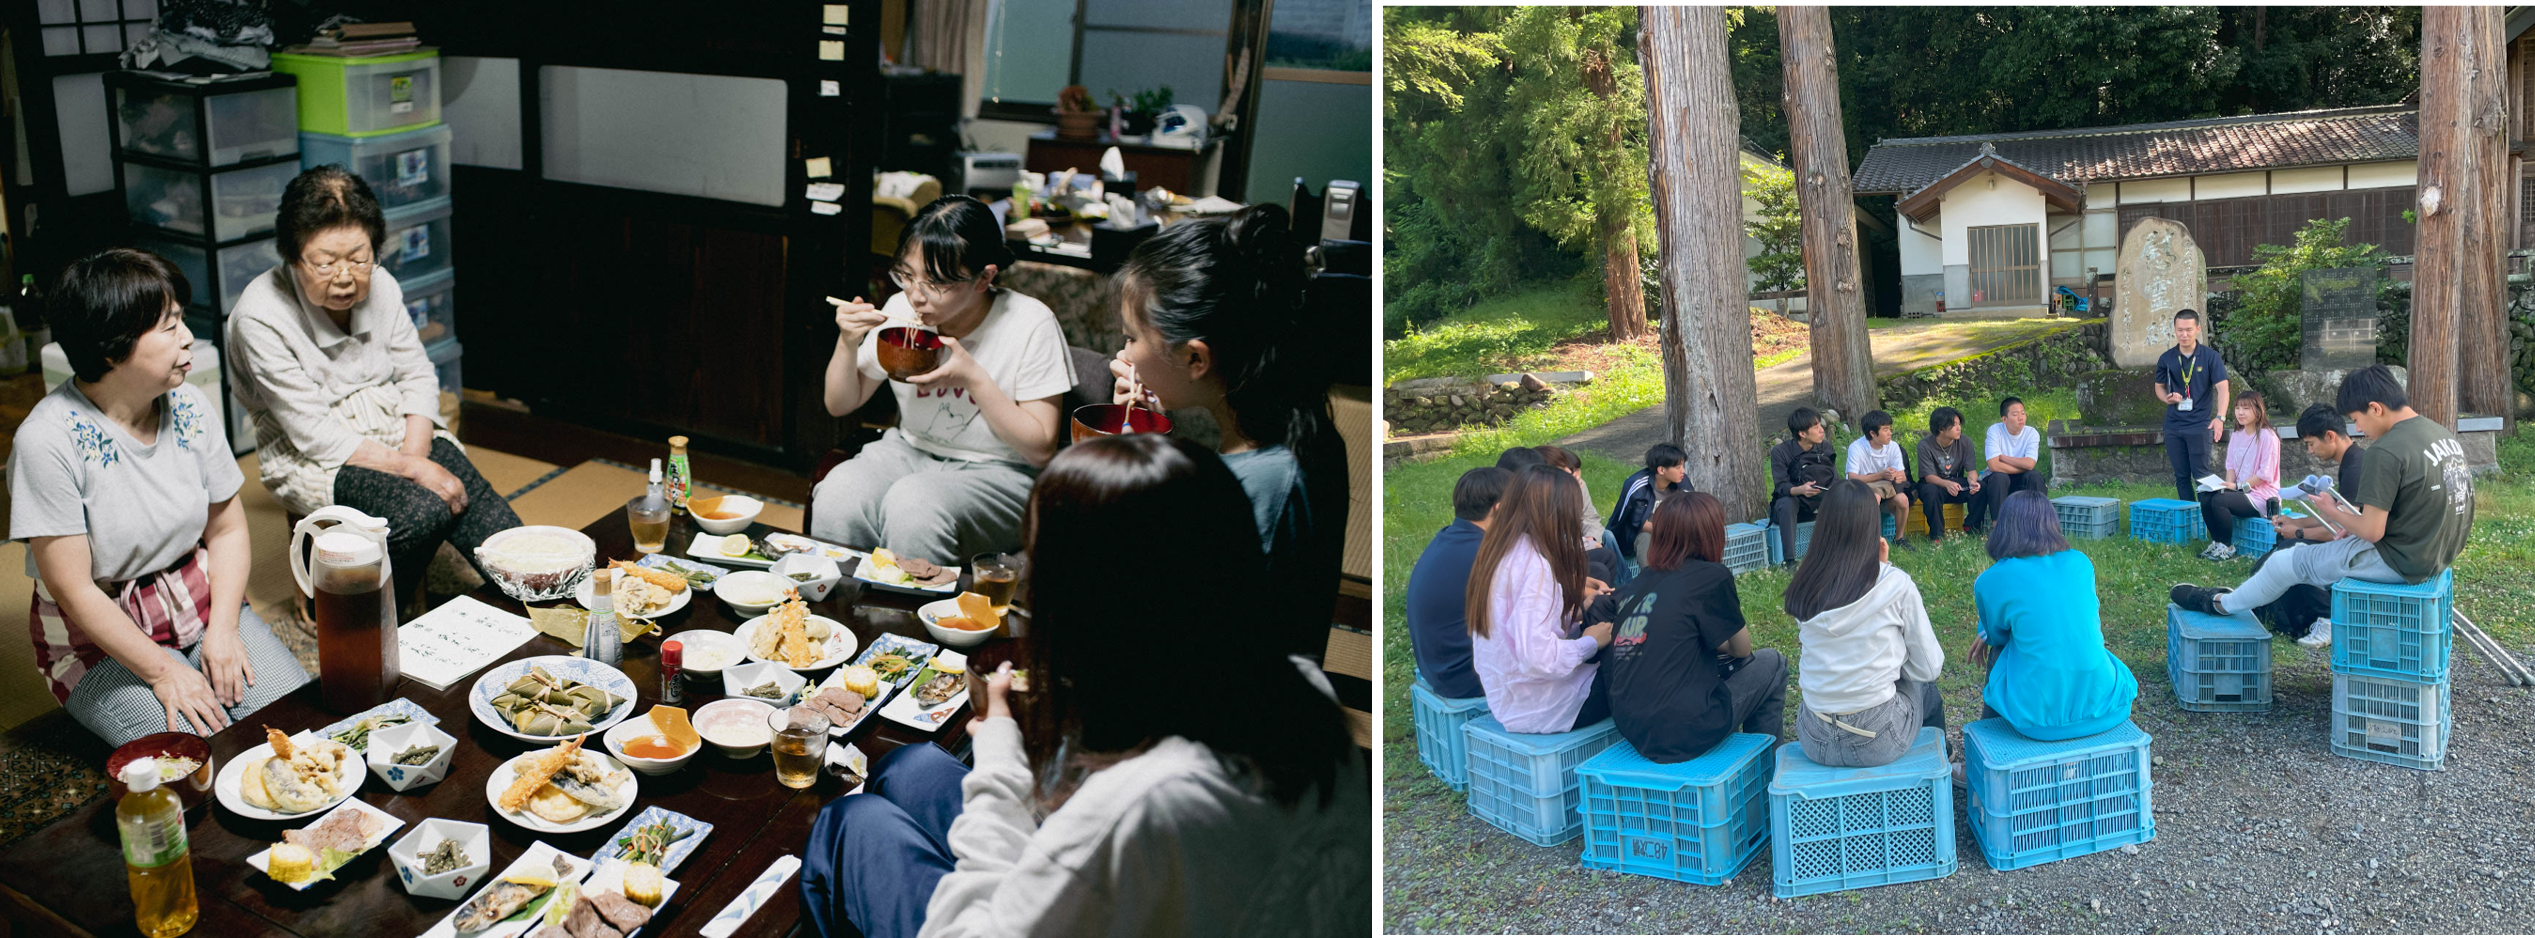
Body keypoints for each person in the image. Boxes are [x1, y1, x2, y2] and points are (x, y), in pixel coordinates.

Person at [799, 434, 1367, 938]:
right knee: (911, 768)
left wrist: (1000, 757)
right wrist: (1010, 734)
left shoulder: (1143, 806)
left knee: (852, 824)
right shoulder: (1299, 687)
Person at [11, 248, 311, 745]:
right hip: (98, 640)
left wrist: (222, 632)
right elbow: (75, 589)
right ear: (111, 349)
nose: (189, 337)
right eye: (169, 326)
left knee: (298, 728)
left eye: (181, 320)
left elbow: (228, 528)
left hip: (199, 604)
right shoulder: (46, 441)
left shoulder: (189, 404)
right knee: (192, 757)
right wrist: (163, 672)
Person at [226, 166, 523, 605]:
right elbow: (313, 433)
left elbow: (417, 374)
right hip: (311, 453)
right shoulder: (260, 316)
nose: (345, 277)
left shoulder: (380, 283)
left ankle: (538, 604)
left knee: (477, 505)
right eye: (326, 263)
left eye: (359, 257)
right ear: (293, 256)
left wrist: (417, 456)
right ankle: (361, 620)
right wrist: (417, 472)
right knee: (420, 512)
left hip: (391, 429)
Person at [1105, 203, 1346, 658]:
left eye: (1133, 337)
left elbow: (1161, 618)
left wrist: (1127, 461)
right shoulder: (1297, 423)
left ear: (1196, 359)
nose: (1125, 352)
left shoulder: (1262, 481)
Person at [815, 195, 1074, 569]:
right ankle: (838, 618)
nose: (915, 295)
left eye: (935, 282)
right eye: (906, 275)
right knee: (838, 493)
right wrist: (847, 342)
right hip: (909, 451)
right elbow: (840, 403)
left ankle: (910, 624)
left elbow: (1039, 450)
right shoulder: (900, 311)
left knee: (915, 505)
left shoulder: (1030, 323)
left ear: (984, 277)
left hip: (1002, 472)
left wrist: (973, 377)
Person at [2173, 365, 2475, 650]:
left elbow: (2371, 530)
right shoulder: (2439, 433)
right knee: (2300, 552)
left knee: (2285, 562)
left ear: (2376, 408)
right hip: (2438, 551)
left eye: (2357, 419)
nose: (2357, 428)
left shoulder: (2387, 450)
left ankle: (2220, 604)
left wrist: (2330, 509)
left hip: (2401, 559)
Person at [1601, 492, 1787, 764]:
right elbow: (1741, 648)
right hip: (1683, 730)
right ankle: (1765, 768)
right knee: (1773, 663)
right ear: (1711, 533)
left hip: (1631, 726)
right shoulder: (1711, 576)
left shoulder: (1638, 584)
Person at [1787, 480, 1950, 771]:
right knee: (1928, 691)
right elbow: (1929, 667)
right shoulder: (1895, 584)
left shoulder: (1804, 585)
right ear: (1869, 526)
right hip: (1877, 738)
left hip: (1814, 737)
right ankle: (1947, 763)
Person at [1967, 492, 2138, 741]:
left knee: (2001, 652)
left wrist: (1985, 631)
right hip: (2108, 706)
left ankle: (1988, 739)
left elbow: (1996, 636)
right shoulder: (2081, 562)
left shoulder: (1990, 579)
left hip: (2036, 721)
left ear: (2004, 527)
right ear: (2051, 523)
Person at [1468, 465, 1615, 732]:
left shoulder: (1499, 551)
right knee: (1635, 658)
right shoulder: (1533, 566)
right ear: (1558, 513)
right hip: (1545, 707)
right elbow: (1539, 657)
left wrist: (1576, 614)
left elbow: (1521, 630)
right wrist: (1590, 642)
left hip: (1510, 699)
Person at [2244, 404, 2366, 643]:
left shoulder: (2356, 468)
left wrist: (2299, 533)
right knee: (2285, 541)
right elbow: (2337, 516)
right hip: (2353, 540)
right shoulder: (2353, 461)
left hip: (2357, 548)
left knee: (2295, 551)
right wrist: (2295, 522)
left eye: (2310, 444)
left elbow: (2344, 531)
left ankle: (2328, 618)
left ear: (2330, 436)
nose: (2309, 451)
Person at [1404, 467, 1512, 700]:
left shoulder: (1448, 538)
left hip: (1439, 671)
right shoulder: (1486, 555)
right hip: (1466, 680)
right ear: (1500, 509)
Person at [2153, 308, 2229, 503]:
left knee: (2202, 475)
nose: (2184, 334)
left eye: (2188, 329)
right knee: (2181, 477)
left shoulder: (2210, 357)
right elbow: (2159, 387)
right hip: (2173, 425)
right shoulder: (2167, 358)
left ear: (2198, 329)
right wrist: (2166, 399)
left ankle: (2209, 518)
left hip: (2199, 424)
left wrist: (2220, 417)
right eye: (2180, 330)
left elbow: (2223, 389)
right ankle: (2189, 518)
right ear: (2174, 330)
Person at [2195, 391, 2280, 561]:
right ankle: (2217, 543)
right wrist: (2225, 486)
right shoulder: (2236, 435)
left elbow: (2265, 474)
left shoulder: (2268, 436)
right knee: (2206, 496)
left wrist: (2236, 487)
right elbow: (2231, 466)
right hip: (2240, 492)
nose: (2240, 412)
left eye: (2246, 408)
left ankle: (2227, 547)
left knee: (2220, 501)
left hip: (2261, 497)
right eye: (2237, 408)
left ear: (2258, 410)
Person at [1768, 408, 1839, 566]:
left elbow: (1835, 479)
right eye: (1816, 427)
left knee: (1843, 495)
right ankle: (1790, 561)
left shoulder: (1826, 447)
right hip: (1793, 504)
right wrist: (1801, 490)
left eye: (1820, 425)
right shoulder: (1781, 452)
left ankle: (1841, 552)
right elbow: (1781, 486)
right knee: (1787, 503)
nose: (1821, 431)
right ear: (1802, 433)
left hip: (1820, 499)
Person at [1609, 442, 1690, 564]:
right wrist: (1671, 532)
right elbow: (1639, 524)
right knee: (1645, 538)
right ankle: (1650, 579)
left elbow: (1691, 511)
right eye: (1678, 467)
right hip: (1637, 536)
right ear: (1661, 470)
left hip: (1670, 533)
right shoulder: (1639, 486)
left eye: (1683, 466)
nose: (1682, 471)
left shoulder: (1682, 482)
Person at [1844, 410, 1914, 551]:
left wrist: (1897, 475)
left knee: (1903, 500)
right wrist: (1881, 475)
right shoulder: (1856, 448)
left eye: (1890, 429)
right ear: (1872, 433)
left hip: (1887, 492)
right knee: (1874, 496)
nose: (1890, 433)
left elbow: (1903, 475)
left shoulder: (1893, 446)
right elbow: (1852, 478)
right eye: (1885, 429)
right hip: (1860, 494)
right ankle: (1870, 541)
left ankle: (1899, 538)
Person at [1974, 397, 2043, 532]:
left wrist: (2003, 457)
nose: (2021, 418)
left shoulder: (2031, 433)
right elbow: (1993, 465)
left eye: (2023, 413)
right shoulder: (1995, 431)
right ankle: (1999, 528)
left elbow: (2030, 464)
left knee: (2035, 477)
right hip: (1997, 479)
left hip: (2020, 476)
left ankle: (2039, 524)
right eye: (2015, 414)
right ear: (2004, 419)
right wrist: (2021, 466)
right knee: (2000, 477)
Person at [1914, 406, 1982, 544]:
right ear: (1941, 429)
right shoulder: (1925, 445)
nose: (1959, 428)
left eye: (1959, 424)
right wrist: (1947, 484)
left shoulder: (1965, 442)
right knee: (1930, 491)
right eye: (1954, 425)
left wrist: (1972, 481)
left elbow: (1971, 471)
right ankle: (1937, 535)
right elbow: (1928, 476)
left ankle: (1972, 527)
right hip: (1935, 484)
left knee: (1982, 487)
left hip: (1956, 483)